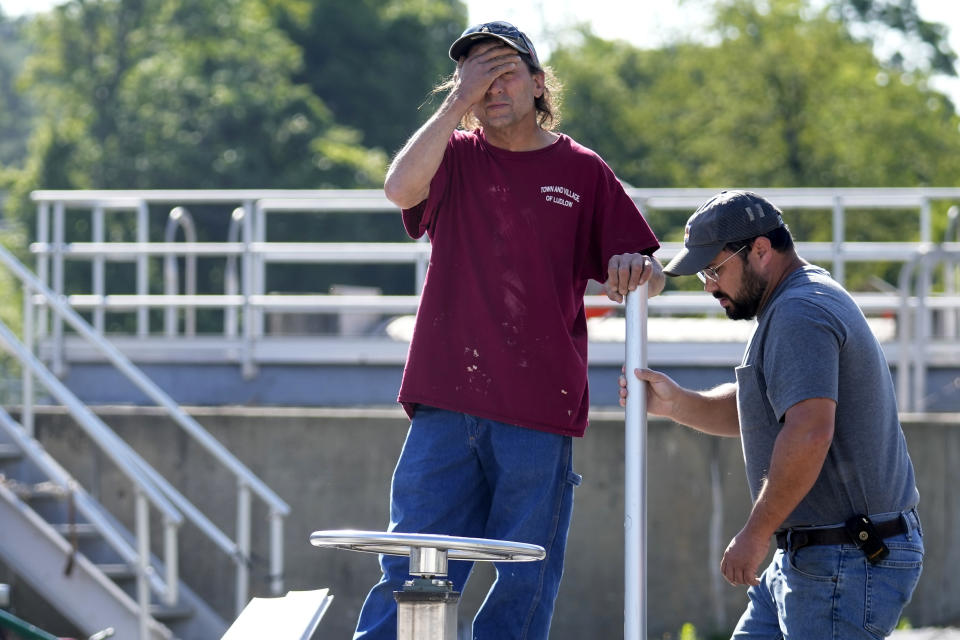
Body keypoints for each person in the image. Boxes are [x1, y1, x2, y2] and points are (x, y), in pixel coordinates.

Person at [355, 20, 665, 640]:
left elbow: (648, 272)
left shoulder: (582, 171)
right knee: (412, 565)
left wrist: (638, 268)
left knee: (524, 577)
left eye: (505, 72)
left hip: (539, 410)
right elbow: (398, 188)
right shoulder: (454, 157)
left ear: (538, 83)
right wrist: (455, 102)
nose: (491, 87)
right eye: (476, 75)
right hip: (444, 403)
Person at [620, 190, 923, 638]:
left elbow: (808, 433)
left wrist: (755, 534)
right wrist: (676, 402)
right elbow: (768, 410)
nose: (708, 285)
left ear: (760, 250)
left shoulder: (799, 312)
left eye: (714, 269)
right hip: (819, 552)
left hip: (841, 557)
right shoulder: (794, 300)